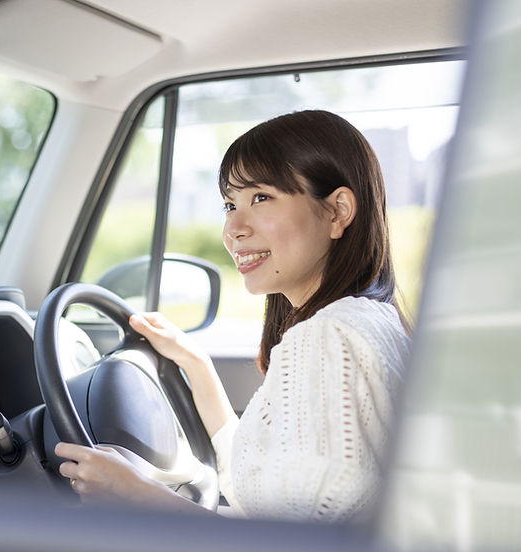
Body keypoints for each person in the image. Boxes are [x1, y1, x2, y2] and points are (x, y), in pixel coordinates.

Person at [55, 110, 411, 522]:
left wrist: (137, 494)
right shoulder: (371, 325)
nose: (233, 229)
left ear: (337, 211)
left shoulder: (327, 339)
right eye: (229, 204)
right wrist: (195, 363)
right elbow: (261, 479)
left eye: (260, 198)